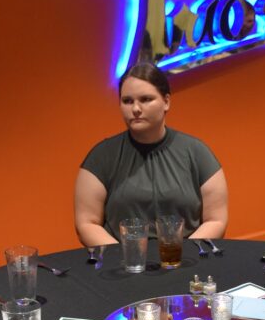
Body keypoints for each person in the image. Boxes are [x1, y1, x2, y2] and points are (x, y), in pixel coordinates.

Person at [74, 62, 228, 247]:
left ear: (166, 102)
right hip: (123, 266)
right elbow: (87, 223)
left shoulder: (196, 153)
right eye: (127, 101)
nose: (136, 109)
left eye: (145, 99)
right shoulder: (101, 156)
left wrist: (182, 252)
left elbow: (216, 220)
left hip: (185, 262)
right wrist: (127, 256)